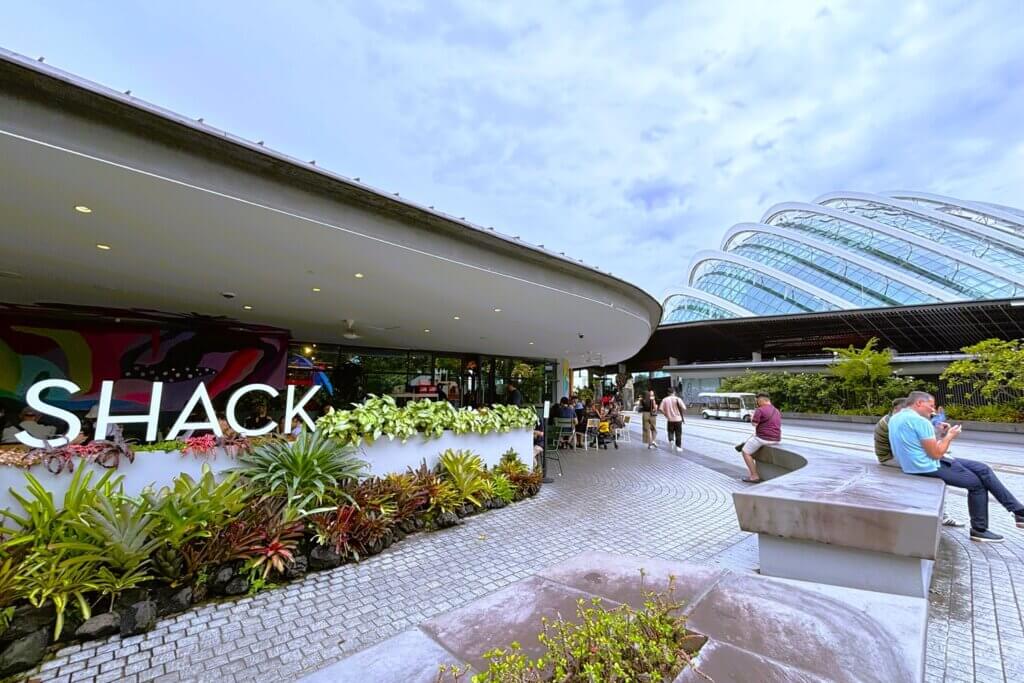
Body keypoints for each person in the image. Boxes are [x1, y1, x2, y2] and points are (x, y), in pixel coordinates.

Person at [890, 391, 1024, 543]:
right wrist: (949, 437)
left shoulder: (897, 417)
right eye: (931, 405)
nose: (933, 410)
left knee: (982, 468)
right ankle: (979, 530)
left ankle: (1019, 512)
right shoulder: (920, 422)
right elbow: (936, 454)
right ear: (919, 403)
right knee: (977, 484)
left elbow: (920, 445)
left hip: (913, 463)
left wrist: (940, 434)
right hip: (927, 466)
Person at [876, 398, 964, 528]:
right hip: (890, 458)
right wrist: (942, 436)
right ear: (898, 409)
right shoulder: (892, 422)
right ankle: (943, 515)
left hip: (894, 455)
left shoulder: (894, 419)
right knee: (939, 470)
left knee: (941, 462)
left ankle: (939, 513)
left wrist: (938, 432)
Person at [735, 393, 781, 483]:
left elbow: (754, 424)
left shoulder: (759, 410)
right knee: (753, 436)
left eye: (757, 401)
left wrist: (752, 417)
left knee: (745, 452)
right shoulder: (776, 410)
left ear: (761, 400)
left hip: (763, 438)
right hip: (776, 439)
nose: (757, 403)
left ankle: (754, 476)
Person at [659, 387, 686, 453]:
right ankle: (678, 447)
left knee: (670, 432)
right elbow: (684, 408)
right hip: (678, 419)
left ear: (668, 393)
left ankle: (671, 440)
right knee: (678, 434)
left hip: (670, 420)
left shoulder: (665, 399)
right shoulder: (678, 399)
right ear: (674, 392)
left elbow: (660, 409)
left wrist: (666, 414)